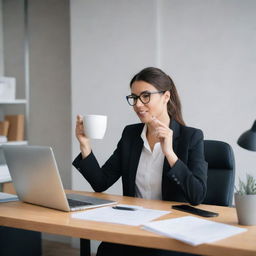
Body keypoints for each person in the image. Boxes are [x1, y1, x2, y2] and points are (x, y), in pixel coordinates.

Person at [73, 67, 208, 256]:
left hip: (170, 229)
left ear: (166, 97)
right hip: (133, 226)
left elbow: (197, 195)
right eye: (134, 98)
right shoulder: (131, 135)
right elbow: (100, 182)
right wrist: (85, 146)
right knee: (106, 250)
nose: (138, 104)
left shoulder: (191, 137)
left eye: (145, 96)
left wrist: (169, 153)